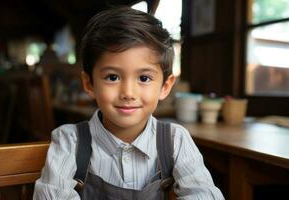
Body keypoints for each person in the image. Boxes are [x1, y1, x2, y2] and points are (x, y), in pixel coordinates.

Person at [33, 7, 224, 200]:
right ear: (89, 84)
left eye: (144, 78)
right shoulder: (69, 142)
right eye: (113, 77)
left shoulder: (175, 141)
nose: (128, 93)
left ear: (165, 87)